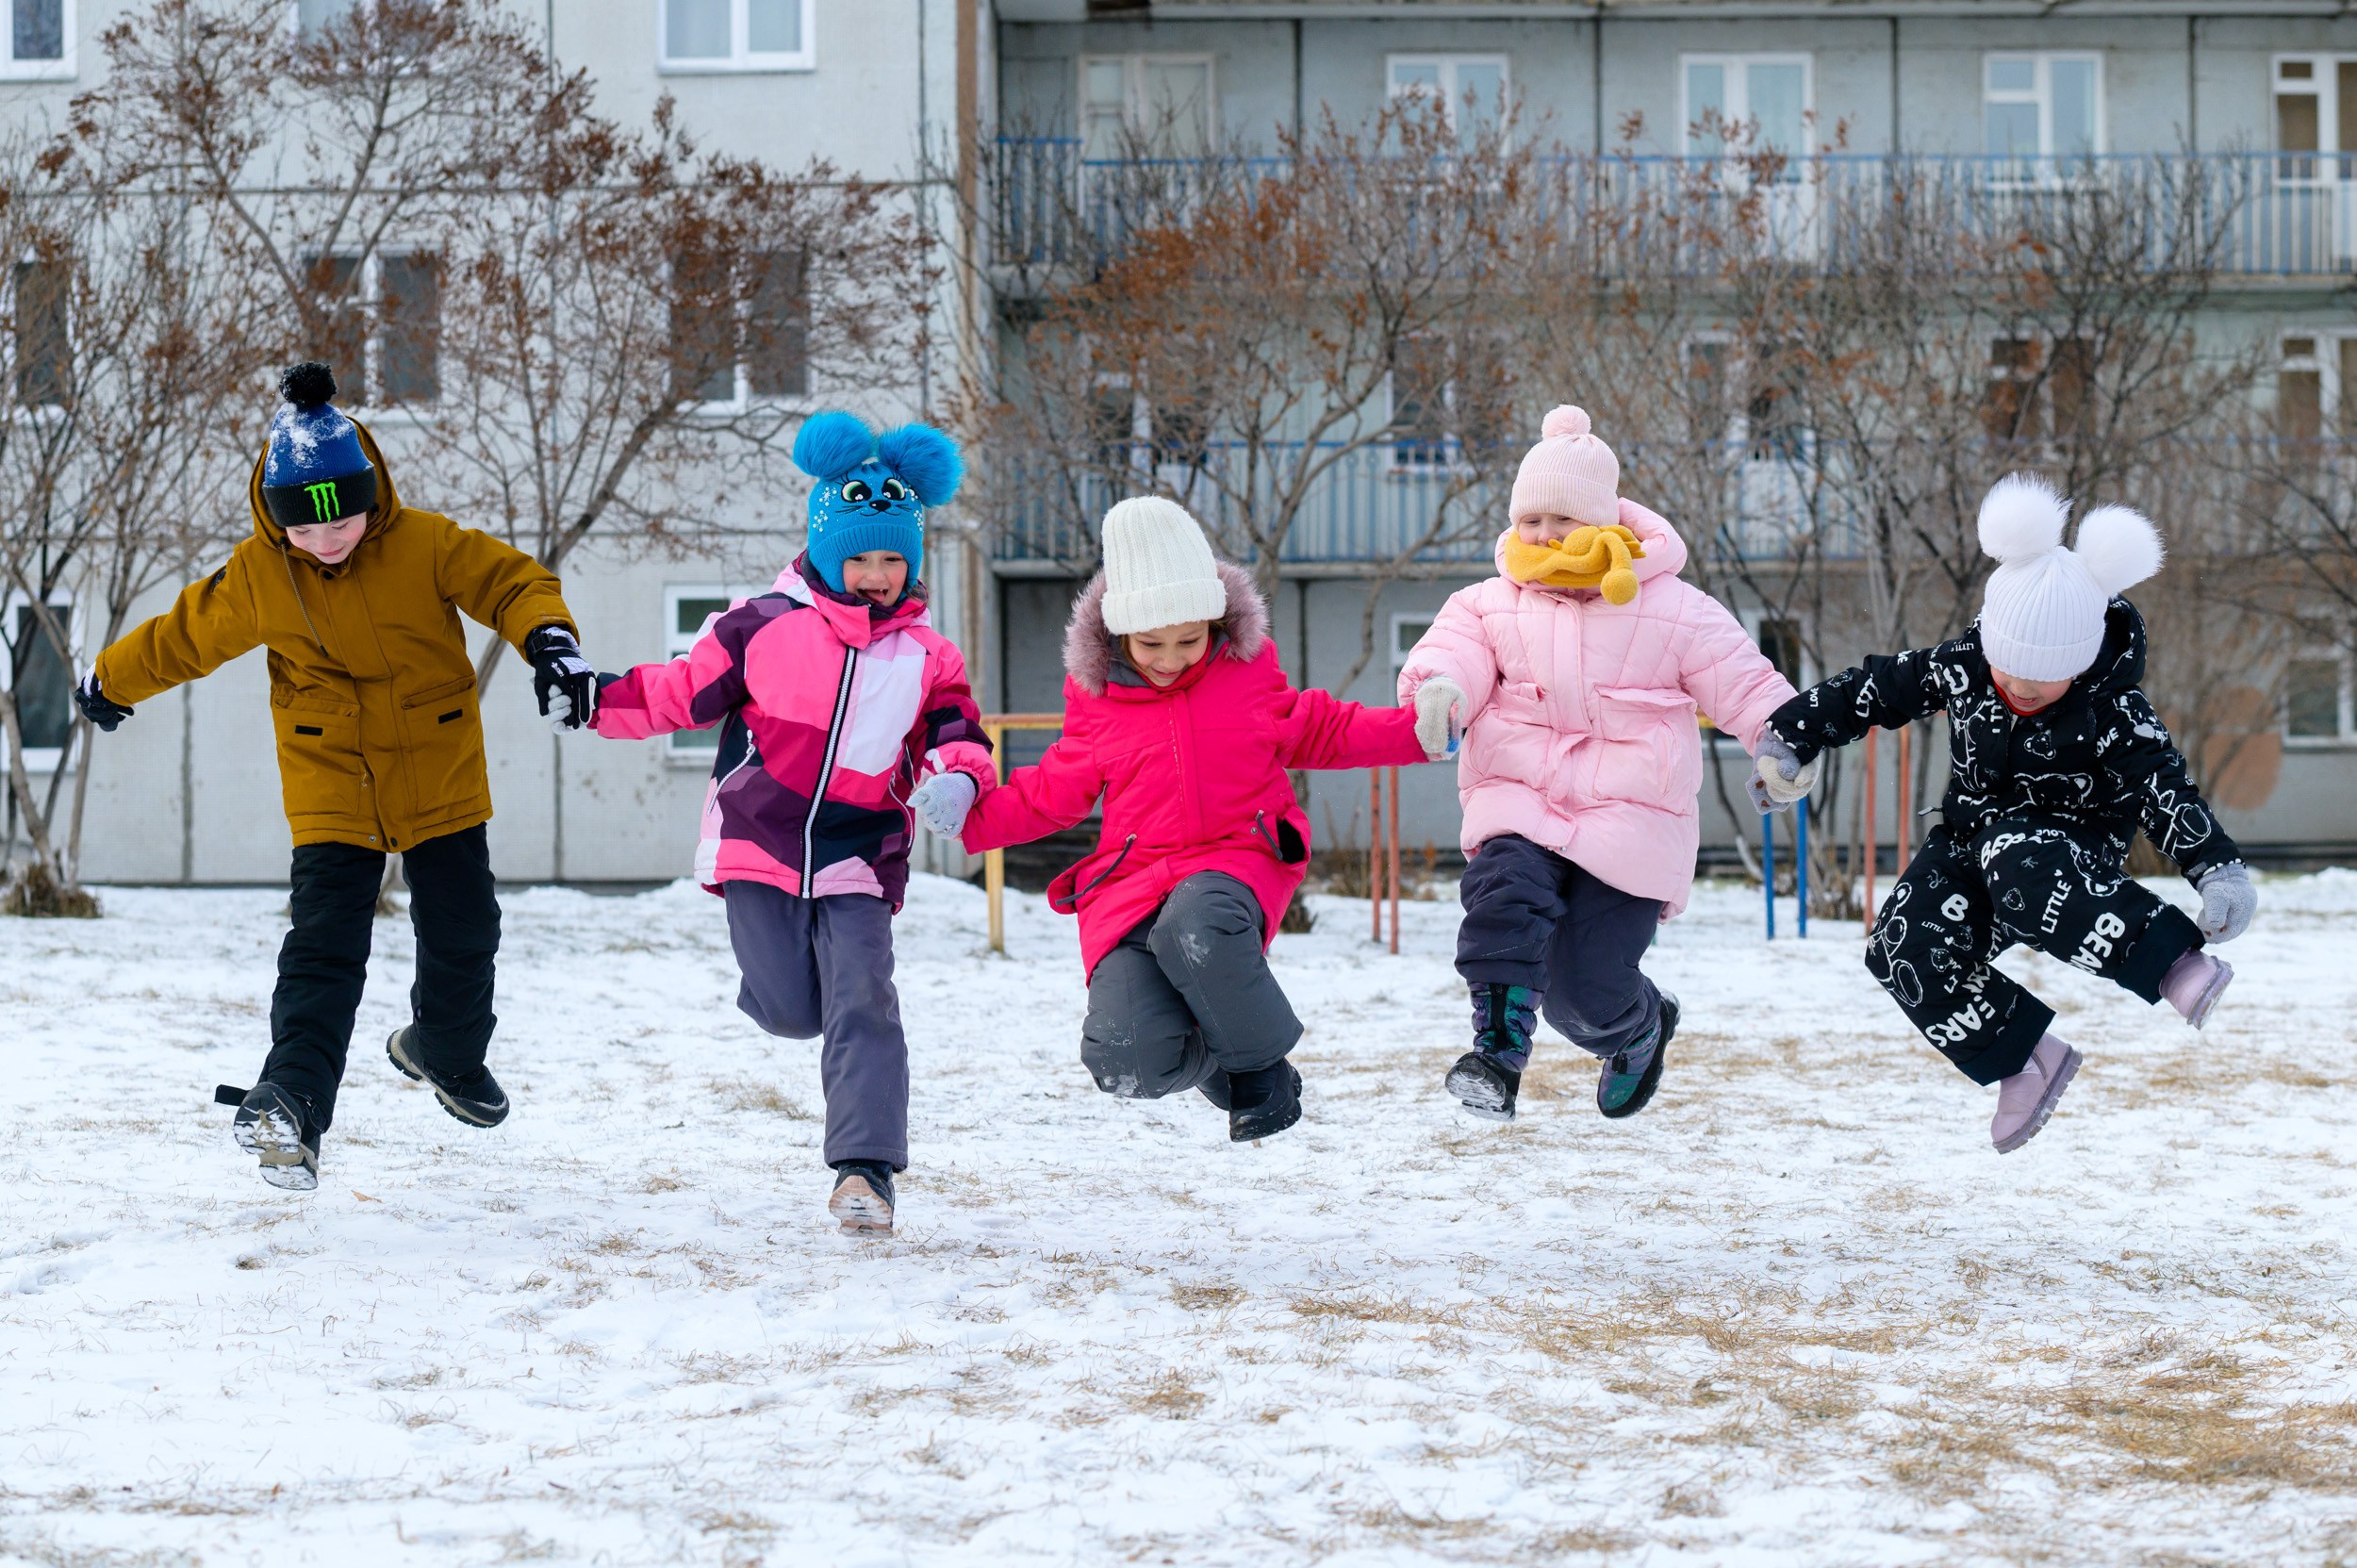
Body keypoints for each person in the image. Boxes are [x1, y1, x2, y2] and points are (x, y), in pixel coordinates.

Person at [76, 363, 597, 1191]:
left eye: (344, 521)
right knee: (322, 948)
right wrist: (111, 679)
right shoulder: (258, 573)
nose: (328, 542)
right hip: (330, 781)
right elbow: (185, 634)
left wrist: (550, 641)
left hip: (436, 769)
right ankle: (292, 1102)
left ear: (370, 494)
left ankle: (446, 1053)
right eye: (306, 531)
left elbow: (511, 582)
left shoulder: (425, 544)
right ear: (276, 520)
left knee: (464, 933)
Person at [1752, 473, 2255, 1153]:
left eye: (2039, 677)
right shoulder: (1966, 666)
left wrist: (2215, 866)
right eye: (2006, 667)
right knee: (1900, 944)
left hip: (2065, 858)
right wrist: (1793, 733)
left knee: (2014, 855)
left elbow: (2164, 788)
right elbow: (1875, 688)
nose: (2016, 685)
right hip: (1970, 840)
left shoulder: (2112, 709)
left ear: (2077, 665)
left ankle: (2171, 964)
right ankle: (2024, 1060)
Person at [584, 412, 990, 1234]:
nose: (877, 574)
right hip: (758, 843)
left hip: (861, 853)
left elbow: (957, 732)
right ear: (825, 547)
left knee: (863, 999)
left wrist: (958, 780)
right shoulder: (760, 624)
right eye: (861, 555)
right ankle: (784, 995)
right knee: (789, 1010)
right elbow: (677, 692)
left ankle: (864, 1170)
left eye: (893, 558)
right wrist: (596, 698)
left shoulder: (927, 655)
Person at [927, 497, 1437, 1143]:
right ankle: (1223, 1051)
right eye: (1150, 644)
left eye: (1189, 639)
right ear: (1118, 633)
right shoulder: (1098, 699)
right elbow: (1052, 792)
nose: (1169, 658)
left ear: (1215, 620)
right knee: (1124, 1060)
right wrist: (968, 821)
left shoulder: (1247, 672)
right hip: (1135, 883)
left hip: (1236, 861)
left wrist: (1418, 733)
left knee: (1195, 922)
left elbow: (1327, 728)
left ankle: (1262, 1071)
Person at [1398, 405, 1798, 1124]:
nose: (1544, 536)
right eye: (1531, 521)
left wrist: (1784, 742)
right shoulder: (1487, 605)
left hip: (1630, 820)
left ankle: (1641, 1026)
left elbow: (1744, 680)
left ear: (1604, 520)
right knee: (1501, 901)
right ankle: (1495, 1058)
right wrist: (1440, 692)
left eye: (1563, 520)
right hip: (1520, 799)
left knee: (1583, 992)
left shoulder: (1674, 607)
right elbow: (1450, 657)